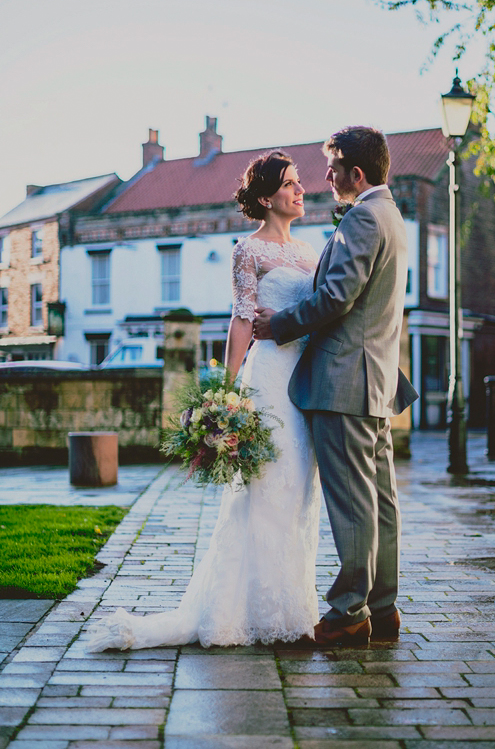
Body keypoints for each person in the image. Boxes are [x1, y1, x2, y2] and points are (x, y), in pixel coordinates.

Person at [87, 151, 321, 651]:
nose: (301, 191)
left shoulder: (310, 251)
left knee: (299, 488)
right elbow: (240, 319)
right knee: (265, 486)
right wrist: (228, 390)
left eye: (300, 182)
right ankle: (248, 611)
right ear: (266, 198)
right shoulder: (247, 251)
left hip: (305, 384)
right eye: (290, 184)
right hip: (269, 379)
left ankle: (293, 606)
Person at [254, 125, 417, 646]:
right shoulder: (391, 216)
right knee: (380, 501)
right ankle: (383, 609)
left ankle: (349, 613)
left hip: (344, 380)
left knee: (352, 503)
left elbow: (336, 298)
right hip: (373, 382)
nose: (325, 175)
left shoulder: (365, 216)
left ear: (358, 173)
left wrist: (276, 325)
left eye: (333, 166)